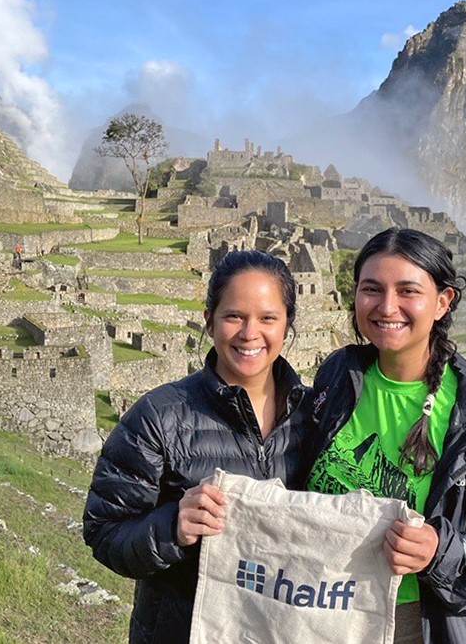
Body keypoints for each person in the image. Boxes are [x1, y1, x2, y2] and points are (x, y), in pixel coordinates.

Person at [307, 228, 466, 644]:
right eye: (372, 289)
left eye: (407, 291)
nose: (387, 307)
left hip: (417, 626)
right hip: (322, 608)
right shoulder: (339, 375)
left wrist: (439, 552)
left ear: (442, 301)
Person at [83, 250, 314, 644]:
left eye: (267, 318)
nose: (249, 333)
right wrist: (173, 526)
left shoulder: (316, 417)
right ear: (209, 321)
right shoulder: (159, 416)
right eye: (234, 316)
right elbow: (104, 532)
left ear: (287, 324)